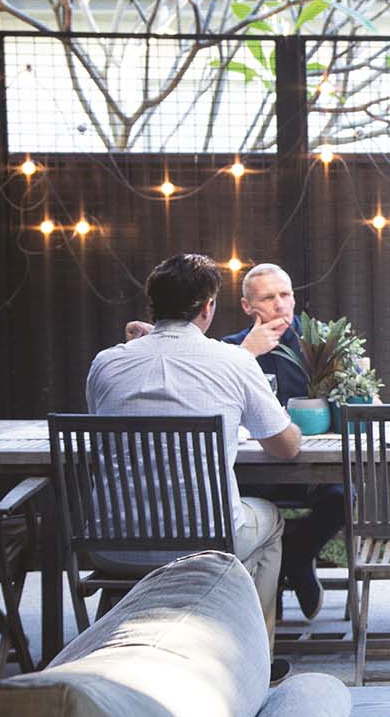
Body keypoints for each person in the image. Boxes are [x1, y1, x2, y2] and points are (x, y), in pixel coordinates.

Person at [89, 253, 302, 685]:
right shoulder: (232, 361)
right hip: (204, 543)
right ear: (208, 307)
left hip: (112, 543)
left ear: (152, 304)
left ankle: (104, 649)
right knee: (271, 521)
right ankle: (254, 664)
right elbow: (286, 447)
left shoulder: (106, 363)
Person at [127, 262, 343, 620]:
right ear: (247, 306)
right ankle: (269, 591)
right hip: (253, 473)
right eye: (268, 298)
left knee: (342, 495)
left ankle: (296, 555)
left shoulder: (320, 347)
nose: (279, 304)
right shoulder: (228, 352)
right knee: (251, 503)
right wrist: (247, 351)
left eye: (285, 295)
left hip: (310, 469)